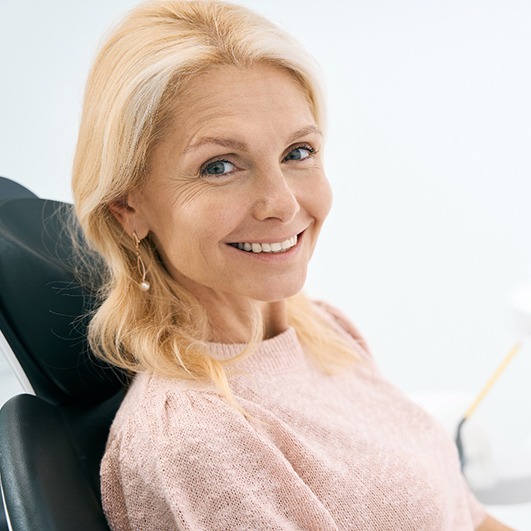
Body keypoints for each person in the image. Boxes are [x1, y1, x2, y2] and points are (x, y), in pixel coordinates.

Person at [71, 1, 511, 529]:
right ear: (128, 206)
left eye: (298, 152)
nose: (280, 203)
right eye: (219, 165)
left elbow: (467, 516)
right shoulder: (196, 439)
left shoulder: (323, 331)